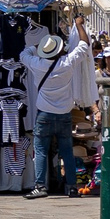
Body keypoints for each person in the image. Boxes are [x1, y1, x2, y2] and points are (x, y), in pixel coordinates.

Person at [21, 27, 97, 198]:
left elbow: (23, 55)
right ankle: (72, 187)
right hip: (64, 114)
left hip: (44, 114)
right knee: (67, 152)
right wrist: (79, 25)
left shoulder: (37, 64)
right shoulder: (67, 63)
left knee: (41, 150)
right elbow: (84, 45)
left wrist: (36, 46)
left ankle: (40, 186)